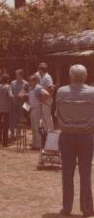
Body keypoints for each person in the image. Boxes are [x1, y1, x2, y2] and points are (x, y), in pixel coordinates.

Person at [56, 64, 94, 217]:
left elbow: (56, 113)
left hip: (66, 135)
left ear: (70, 76)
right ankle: (87, 208)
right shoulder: (92, 93)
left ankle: (67, 208)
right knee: (85, 173)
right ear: (85, 76)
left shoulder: (61, 92)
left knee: (67, 173)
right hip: (86, 136)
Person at [27, 75, 51, 150]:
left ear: (35, 81)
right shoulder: (30, 88)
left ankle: (39, 145)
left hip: (37, 109)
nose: (30, 82)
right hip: (31, 109)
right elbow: (29, 99)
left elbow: (47, 94)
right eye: (29, 80)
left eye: (31, 80)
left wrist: (40, 99)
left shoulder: (38, 88)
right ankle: (35, 144)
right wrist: (28, 109)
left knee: (38, 127)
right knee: (33, 128)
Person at [10, 69, 29, 139]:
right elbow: (10, 91)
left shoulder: (26, 83)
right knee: (12, 118)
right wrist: (11, 96)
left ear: (21, 75)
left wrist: (24, 95)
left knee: (20, 118)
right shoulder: (12, 82)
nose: (15, 75)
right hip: (13, 102)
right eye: (15, 74)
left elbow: (29, 93)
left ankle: (18, 133)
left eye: (17, 74)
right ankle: (12, 132)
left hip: (22, 103)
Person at [37, 63, 54, 132]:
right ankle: (46, 133)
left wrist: (44, 99)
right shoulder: (42, 77)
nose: (38, 71)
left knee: (47, 117)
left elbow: (51, 89)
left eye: (39, 70)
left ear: (41, 70)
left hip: (47, 100)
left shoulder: (47, 77)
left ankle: (52, 133)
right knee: (43, 118)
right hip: (43, 100)